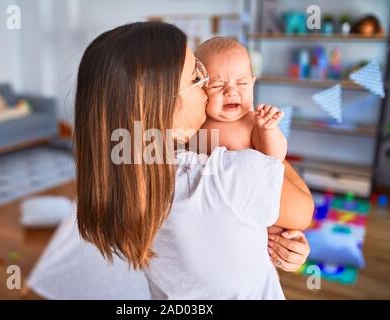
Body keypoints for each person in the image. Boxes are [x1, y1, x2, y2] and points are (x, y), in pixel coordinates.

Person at [74, 21, 313, 299]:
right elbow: (303, 211)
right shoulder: (226, 173)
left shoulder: (125, 176)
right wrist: (252, 138)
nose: (207, 88)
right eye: (197, 79)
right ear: (162, 104)